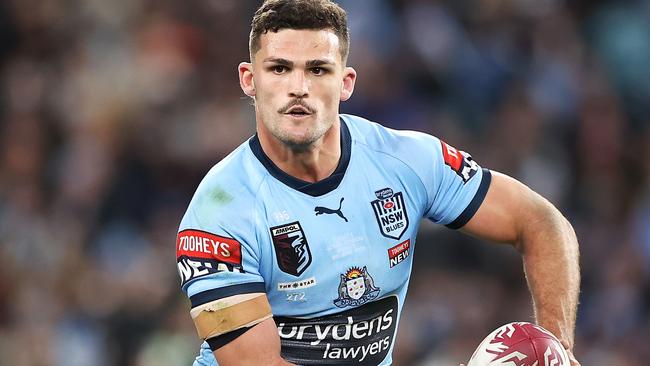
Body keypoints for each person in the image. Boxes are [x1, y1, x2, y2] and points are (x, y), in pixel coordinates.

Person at [175, 0, 581, 365]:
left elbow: (542, 222)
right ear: (249, 79)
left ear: (346, 82)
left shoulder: (407, 160)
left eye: (318, 69)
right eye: (279, 68)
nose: (298, 88)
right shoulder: (217, 215)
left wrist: (558, 348)